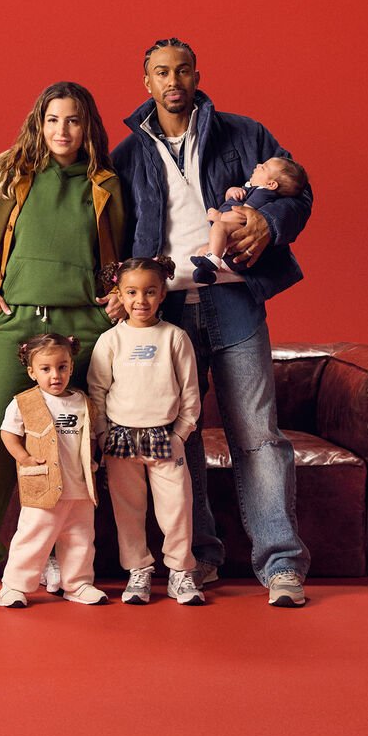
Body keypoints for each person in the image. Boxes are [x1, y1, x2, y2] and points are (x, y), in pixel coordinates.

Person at [110, 37, 312, 607]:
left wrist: (268, 224)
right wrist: (119, 291)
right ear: (145, 81)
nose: (172, 81)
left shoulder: (245, 134)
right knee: (180, 437)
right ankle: (199, 559)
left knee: (258, 435)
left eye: (181, 70)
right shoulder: (127, 155)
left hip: (234, 300)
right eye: (160, 73)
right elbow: (114, 234)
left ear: (197, 75)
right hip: (165, 311)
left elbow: (298, 191)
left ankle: (281, 567)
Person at [0, 81, 126, 604]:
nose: (62, 131)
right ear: (38, 123)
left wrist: (114, 297)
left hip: (82, 326)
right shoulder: (5, 177)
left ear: (87, 126)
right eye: (52, 120)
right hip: (17, 320)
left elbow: (123, 255)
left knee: (76, 441)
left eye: (72, 121)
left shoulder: (108, 185)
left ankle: (53, 552)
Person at [87, 257, 205, 605]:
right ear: (119, 295)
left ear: (162, 293)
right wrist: (103, 434)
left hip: (166, 438)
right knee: (128, 509)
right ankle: (138, 570)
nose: (141, 300)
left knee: (177, 507)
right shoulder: (110, 340)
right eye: (132, 292)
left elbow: (190, 392)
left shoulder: (174, 338)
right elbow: (97, 391)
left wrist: (181, 433)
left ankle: (181, 572)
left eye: (150, 292)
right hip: (121, 438)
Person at [0, 333, 109, 607]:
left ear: (71, 366)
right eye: (45, 369)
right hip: (43, 484)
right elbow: (8, 434)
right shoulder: (25, 402)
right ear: (32, 372)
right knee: (33, 535)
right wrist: (23, 458)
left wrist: (93, 461)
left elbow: (90, 437)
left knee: (80, 538)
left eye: (62, 367)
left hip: (79, 486)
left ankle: (78, 584)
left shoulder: (82, 402)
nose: (55, 375)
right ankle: (13, 586)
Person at [192, 157, 307, 284]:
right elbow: (233, 202)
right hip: (235, 251)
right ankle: (208, 272)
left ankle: (213, 260)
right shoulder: (254, 189)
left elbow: (243, 215)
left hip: (240, 237)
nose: (258, 165)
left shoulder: (263, 193)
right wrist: (232, 192)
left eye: (263, 168)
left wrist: (219, 216)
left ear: (271, 184)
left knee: (219, 227)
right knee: (203, 250)